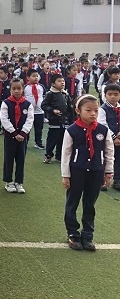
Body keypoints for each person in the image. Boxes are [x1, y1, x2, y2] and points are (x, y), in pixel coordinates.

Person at [62, 94, 113, 251]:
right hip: (77, 171)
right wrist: (66, 175)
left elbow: (109, 152)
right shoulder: (72, 130)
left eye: (96, 110)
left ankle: (87, 235)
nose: (93, 114)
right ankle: (72, 233)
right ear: (78, 110)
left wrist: (108, 172)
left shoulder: (103, 130)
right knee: (73, 202)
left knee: (90, 203)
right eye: (88, 110)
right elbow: (66, 154)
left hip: (96, 172)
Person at [0, 78, 34, 193]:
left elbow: (29, 120)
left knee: (21, 159)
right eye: (14, 88)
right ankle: (8, 182)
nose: (16, 91)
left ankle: (19, 182)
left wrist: (23, 133)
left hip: (23, 137)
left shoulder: (28, 104)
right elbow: (4, 119)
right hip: (10, 137)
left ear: (23, 89)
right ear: (10, 89)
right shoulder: (6, 103)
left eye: (19, 88)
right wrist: (14, 133)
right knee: (9, 159)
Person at [42, 74, 73, 164]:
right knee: (52, 139)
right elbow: (44, 105)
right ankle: (48, 155)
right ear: (53, 84)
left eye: (63, 81)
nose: (62, 83)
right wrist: (52, 110)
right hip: (54, 120)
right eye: (59, 81)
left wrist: (71, 118)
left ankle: (59, 156)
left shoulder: (65, 94)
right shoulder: (50, 94)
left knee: (62, 140)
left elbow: (70, 107)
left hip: (65, 121)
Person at [96, 83, 120, 190]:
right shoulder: (103, 109)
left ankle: (117, 180)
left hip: (118, 139)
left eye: (116, 94)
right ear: (105, 95)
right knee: (106, 158)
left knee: (118, 158)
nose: (113, 97)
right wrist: (114, 137)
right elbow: (103, 124)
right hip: (106, 138)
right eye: (110, 94)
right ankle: (102, 180)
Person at [25, 69, 45, 150]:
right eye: (33, 76)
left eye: (37, 76)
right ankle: (25, 141)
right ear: (28, 77)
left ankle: (38, 142)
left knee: (39, 129)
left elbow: (44, 96)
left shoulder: (41, 87)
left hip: (39, 111)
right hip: (28, 111)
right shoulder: (26, 88)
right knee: (27, 128)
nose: (36, 78)